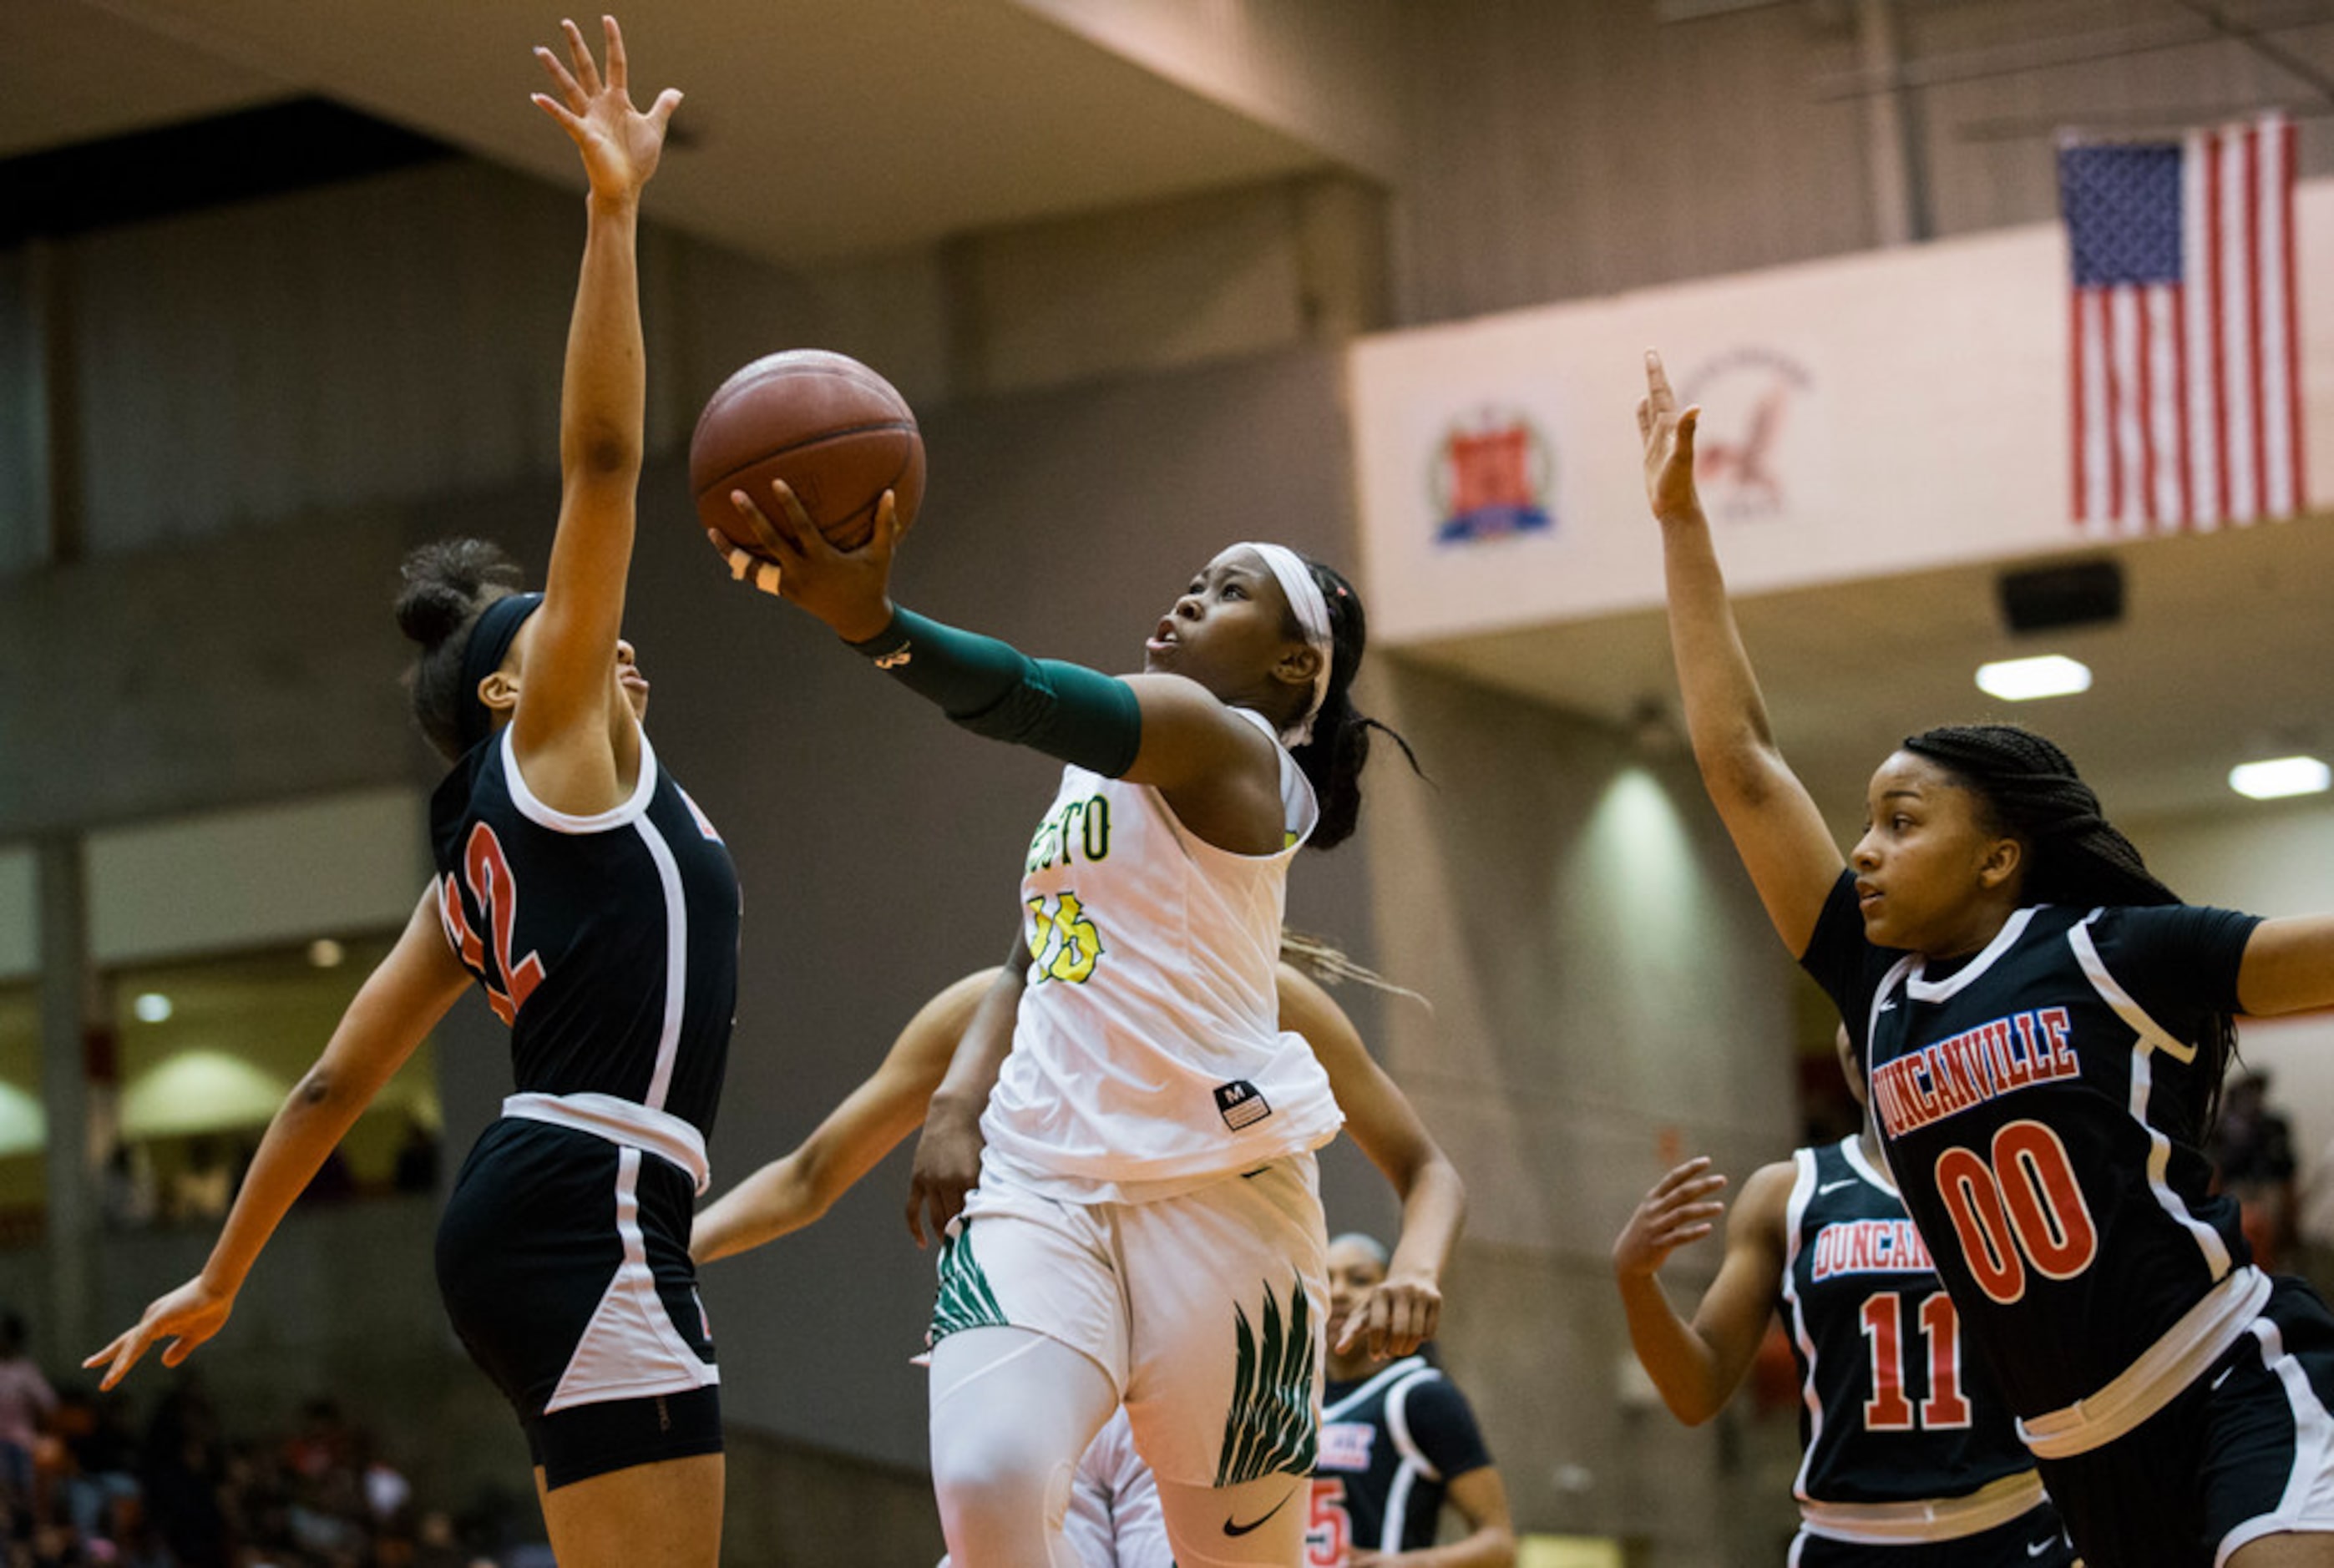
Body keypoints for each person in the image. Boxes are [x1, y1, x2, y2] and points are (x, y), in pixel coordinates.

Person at [85, 23, 729, 1565]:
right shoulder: (555, 745)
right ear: (513, 690)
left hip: (525, 1208)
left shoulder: (472, 872)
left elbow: (326, 1085)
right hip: (592, 1185)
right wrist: (614, 212)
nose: (610, 634)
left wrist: (226, 1272)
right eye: (566, 635)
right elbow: (600, 462)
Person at [1637, 346, 2334, 1566]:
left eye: (1899, 823)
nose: (1859, 850)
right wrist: (1680, 523)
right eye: (1859, 822)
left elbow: (2309, 959)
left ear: (1999, 856)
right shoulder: (1876, 982)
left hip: (2223, 1374)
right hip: (2074, 1458)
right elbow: (1740, 760)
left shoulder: (2112, 952)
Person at [711, 500, 1405, 1565]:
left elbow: (1021, 696)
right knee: (988, 1482)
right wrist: (955, 1100)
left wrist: (875, 622)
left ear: (1291, 670)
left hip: (1218, 1197)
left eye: (1230, 593)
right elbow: (1035, 949)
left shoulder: (1222, 742)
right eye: (1194, 576)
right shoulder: (1103, 771)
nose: (1189, 597)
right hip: (1042, 1176)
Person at [696, 951, 1465, 1567]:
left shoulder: (1266, 995)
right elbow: (808, 1174)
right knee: (987, 1508)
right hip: (1050, 1373)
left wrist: (1416, 1269)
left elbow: (1425, 1166)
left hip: (1199, 1374)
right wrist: (661, 1254)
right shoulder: (989, 1012)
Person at [1614, 1029, 2072, 1565]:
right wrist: (1634, 1279)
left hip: (2007, 1526)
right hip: (1850, 1538)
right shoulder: (1787, 1194)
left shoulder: (2014, 1173)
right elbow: (1697, 1390)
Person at [1311, 1232, 1514, 1568]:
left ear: (1393, 1296)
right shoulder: (1292, 1401)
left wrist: (1415, 1564)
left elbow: (1500, 1545)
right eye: (1326, 1279)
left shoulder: (1421, 1397)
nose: (1338, 1292)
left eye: (1359, 1279)